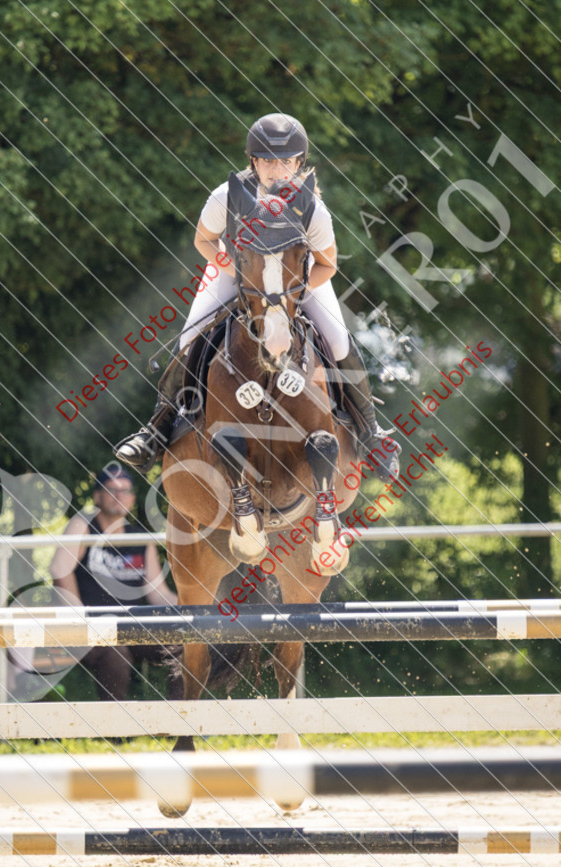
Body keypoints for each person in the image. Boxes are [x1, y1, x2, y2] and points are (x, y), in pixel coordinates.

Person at [116, 112, 400, 481]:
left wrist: (285, 297)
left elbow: (327, 265)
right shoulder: (227, 196)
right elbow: (203, 240)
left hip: (297, 280)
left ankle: (370, 434)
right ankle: (155, 430)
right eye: (267, 160)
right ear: (253, 160)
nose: (276, 169)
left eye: (286, 161)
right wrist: (239, 275)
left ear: (299, 163)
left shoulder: (313, 207)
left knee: (339, 342)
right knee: (189, 339)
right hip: (235, 273)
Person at [49, 465, 181, 702]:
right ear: (97, 496)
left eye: (125, 490)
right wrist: (79, 616)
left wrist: (189, 609)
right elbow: (59, 569)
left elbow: (158, 593)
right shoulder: (84, 526)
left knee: (185, 644)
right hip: (92, 627)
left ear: (132, 499)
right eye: (111, 489)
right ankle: (116, 732)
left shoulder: (139, 538)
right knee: (115, 653)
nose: (119, 495)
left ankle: (183, 721)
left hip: (133, 625)